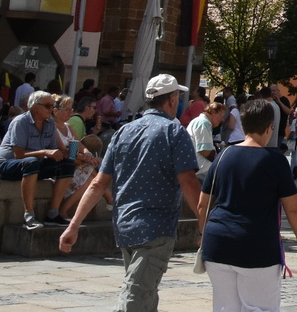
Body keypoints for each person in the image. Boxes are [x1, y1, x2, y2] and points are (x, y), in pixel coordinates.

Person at [58, 74, 202, 312]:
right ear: (172, 99)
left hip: (125, 226)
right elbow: (189, 183)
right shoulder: (175, 132)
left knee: (143, 293)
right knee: (136, 296)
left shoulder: (124, 131)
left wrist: (73, 225)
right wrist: (203, 225)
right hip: (156, 227)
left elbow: (98, 184)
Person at [197, 98, 297, 312]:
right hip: (256, 244)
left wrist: (204, 235)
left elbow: (203, 205)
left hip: (218, 242)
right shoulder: (275, 160)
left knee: (225, 308)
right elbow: (293, 208)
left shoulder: (223, 155)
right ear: (270, 128)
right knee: (259, 307)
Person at [0, 91, 73, 229]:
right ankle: (29, 215)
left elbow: (52, 150)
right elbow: (18, 154)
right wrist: (45, 152)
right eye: (47, 106)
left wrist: (64, 153)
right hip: (8, 164)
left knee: (67, 165)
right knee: (31, 162)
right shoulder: (21, 122)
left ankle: (53, 214)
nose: (51, 109)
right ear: (34, 107)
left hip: (34, 162)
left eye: (52, 106)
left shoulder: (50, 123)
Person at [189, 102, 224, 182]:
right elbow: (205, 151)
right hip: (201, 171)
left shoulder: (202, 122)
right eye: (221, 115)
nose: (222, 119)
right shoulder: (203, 123)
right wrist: (221, 161)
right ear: (213, 112)